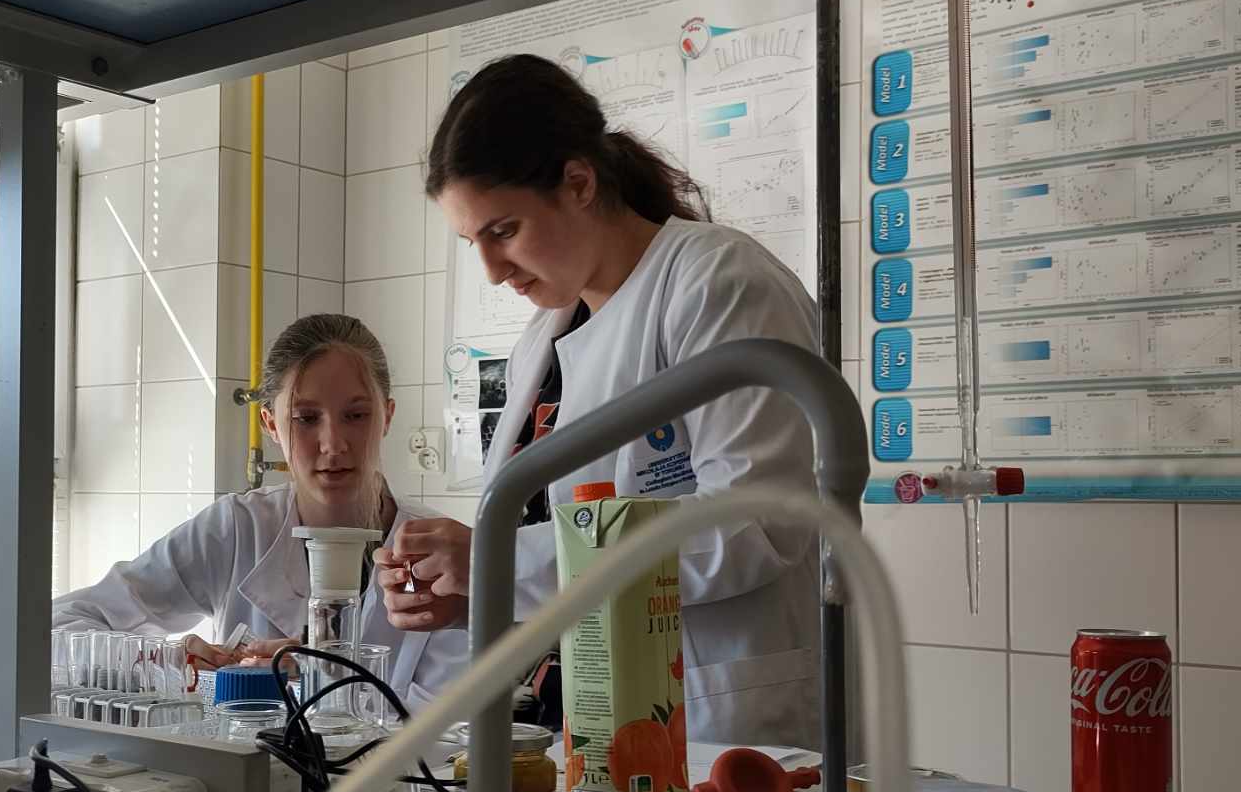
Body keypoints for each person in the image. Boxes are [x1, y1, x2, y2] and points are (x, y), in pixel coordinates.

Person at [374, 53, 822, 746]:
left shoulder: (718, 283)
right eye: (472, 242)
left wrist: (495, 561)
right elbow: (552, 560)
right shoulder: (542, 340)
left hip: (716, 724)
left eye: (503, 231)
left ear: (579, 183)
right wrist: (468, 594)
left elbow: (756, 523)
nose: (491, 271)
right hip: (576, 721)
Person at [54, 313, 467, 703]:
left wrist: (316, 675)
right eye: (305, 418)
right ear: (270, 425)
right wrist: (167, 663)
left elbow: (449, 725)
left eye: (356, 415)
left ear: (387, 416)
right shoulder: (236, 529)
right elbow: (59, 628)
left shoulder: (443, 554)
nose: (333, 444)